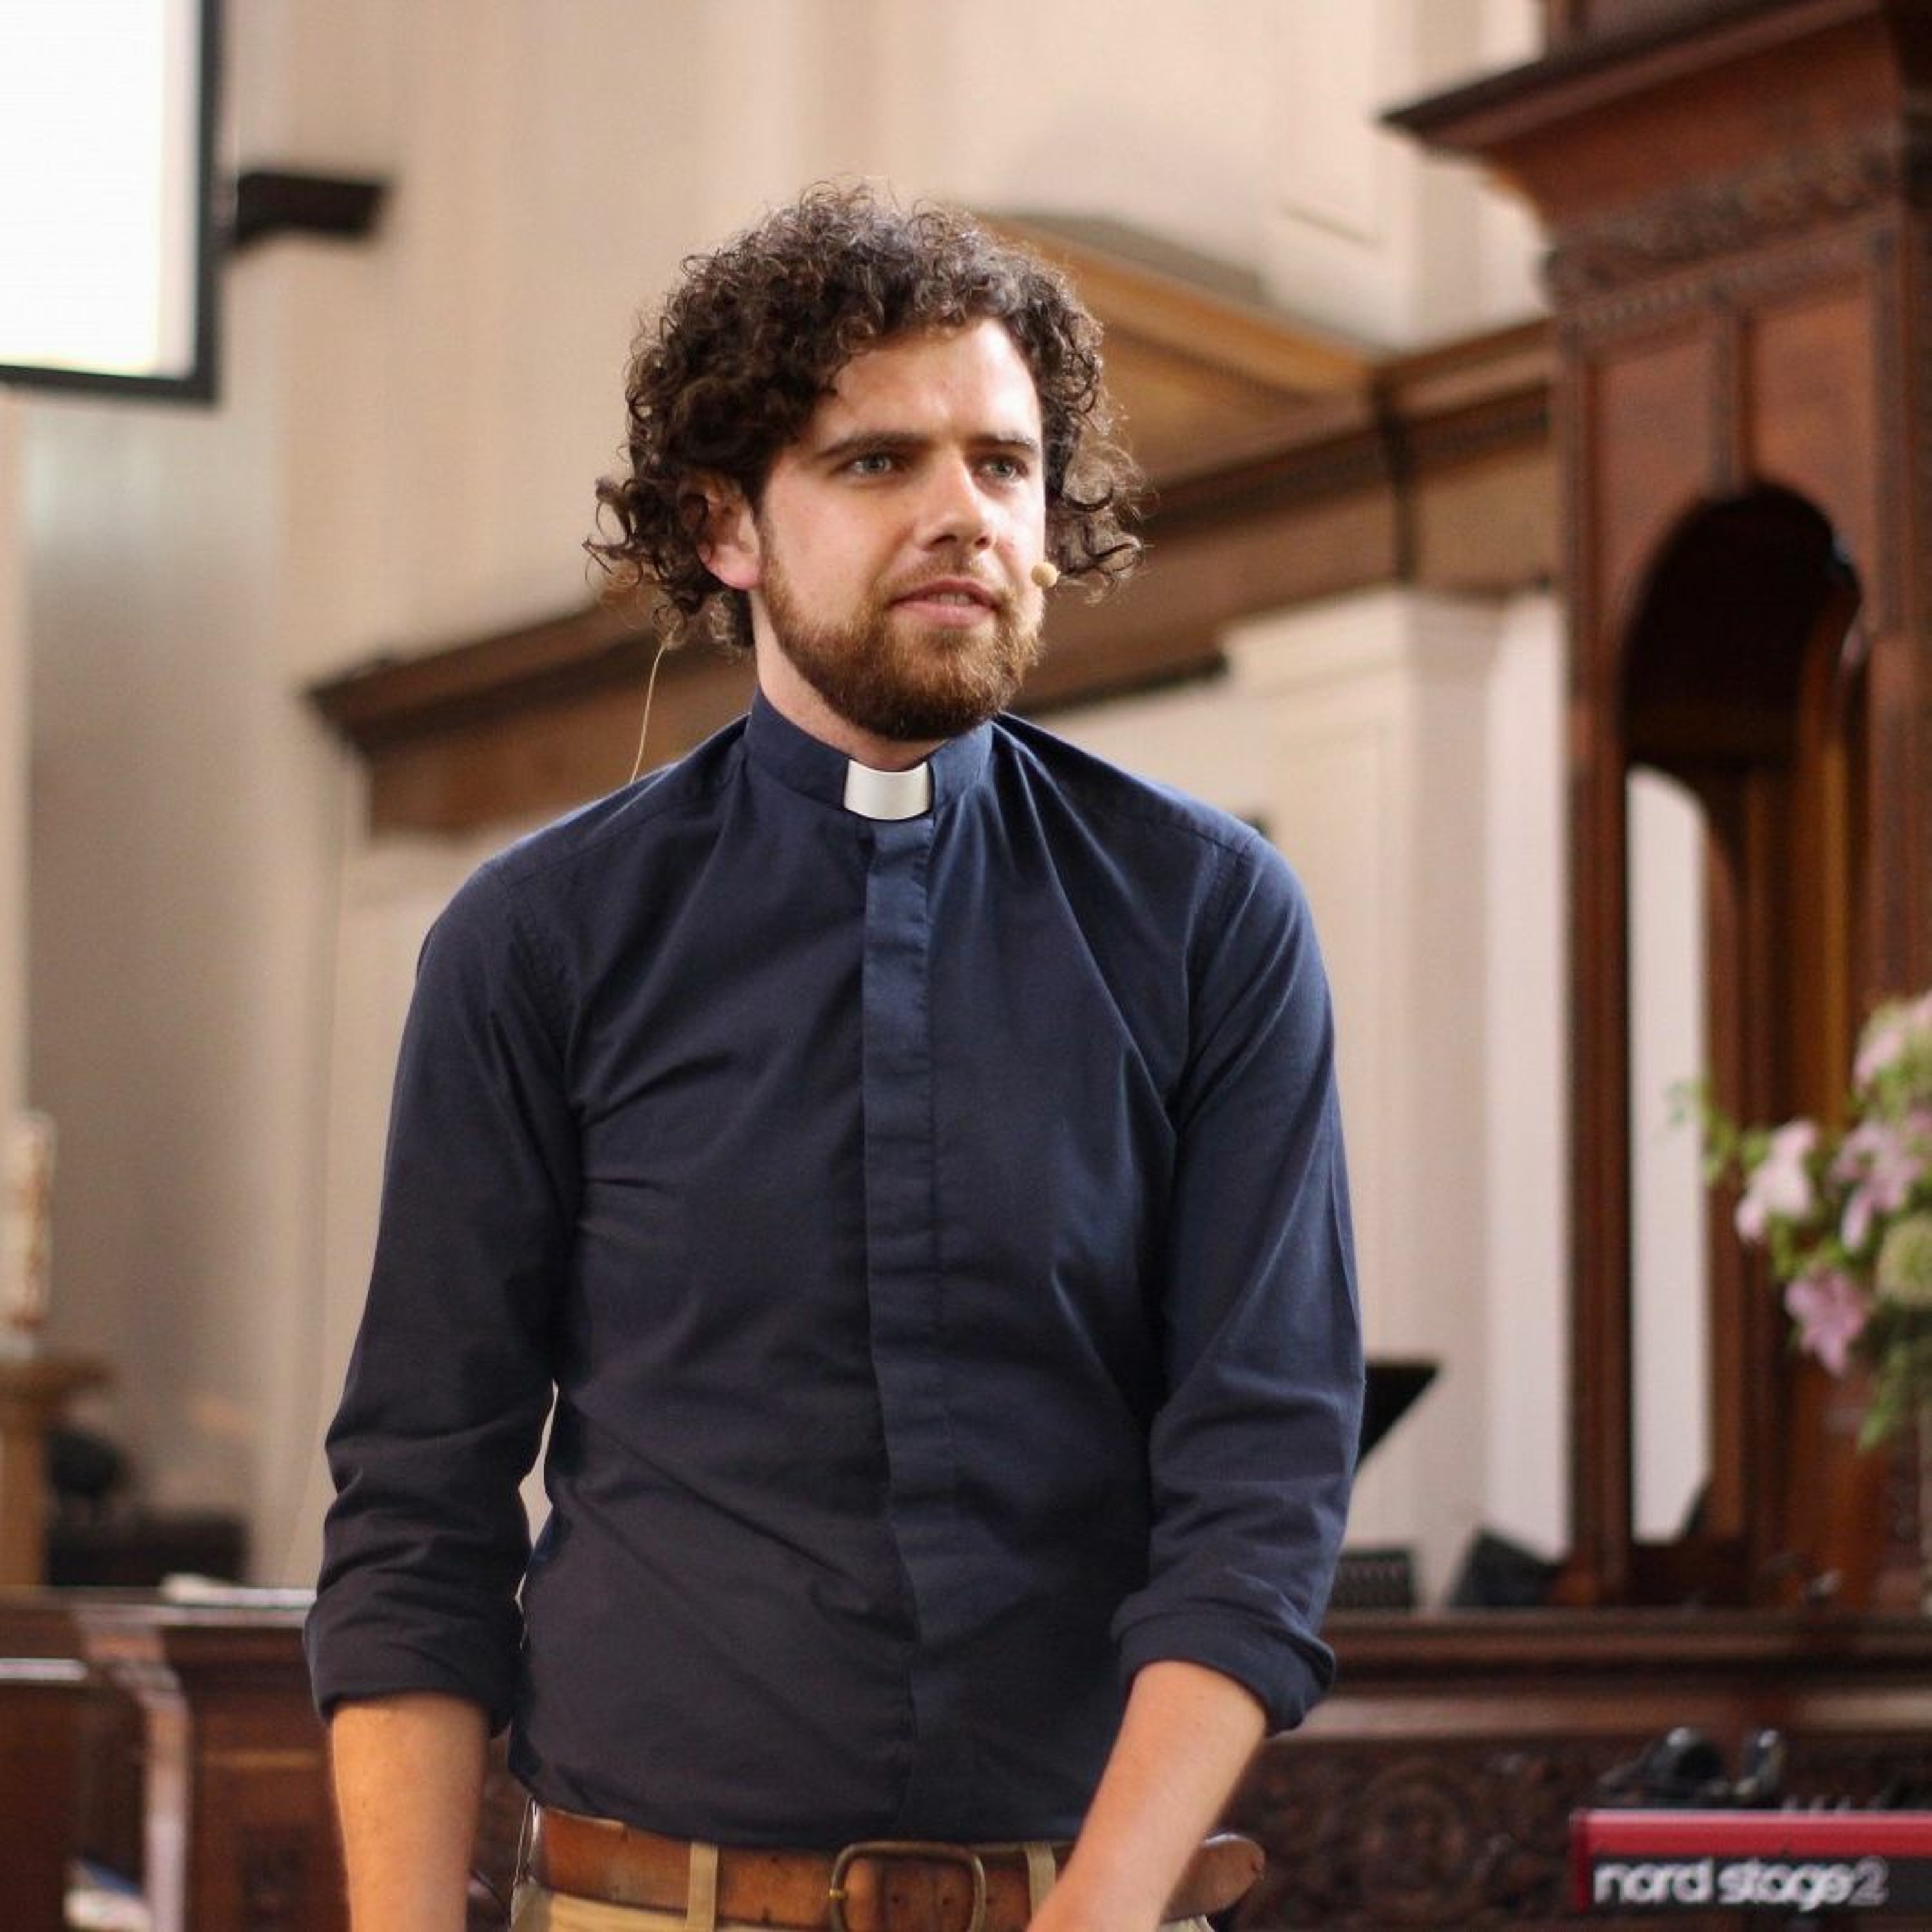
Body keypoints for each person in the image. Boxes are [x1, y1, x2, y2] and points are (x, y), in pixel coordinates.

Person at [307, 184, 1363, 1932]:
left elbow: (1263, 1482)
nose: (964, 513)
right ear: (724, 524)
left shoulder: (1207, 916)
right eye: (880, 462)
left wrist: (1100, 1917)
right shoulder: (538, 940)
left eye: (1005, 464)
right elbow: (421, 1507)